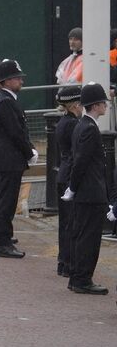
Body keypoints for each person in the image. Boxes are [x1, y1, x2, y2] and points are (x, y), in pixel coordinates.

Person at [58, 82, 109, 294]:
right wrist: (73, 187)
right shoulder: (89, 128)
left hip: (84, 191)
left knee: (81, 234)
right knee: (89, 237)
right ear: (96, 105)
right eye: (103, 102)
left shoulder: (81, 125)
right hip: (90, 192)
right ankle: (82, 278)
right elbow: (81, 162)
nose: (106, 105)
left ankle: (78, 276)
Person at [0, 60, 31, 258]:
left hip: (9, 158)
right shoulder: (5, 102)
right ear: (6, 81)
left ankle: (5, 238)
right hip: (9, 159)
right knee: (6, 202)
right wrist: (29, 151)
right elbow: (15, 133)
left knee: (8, 201)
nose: (20, 80)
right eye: (16, 78)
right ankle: (2, 242)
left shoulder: (5, 100)